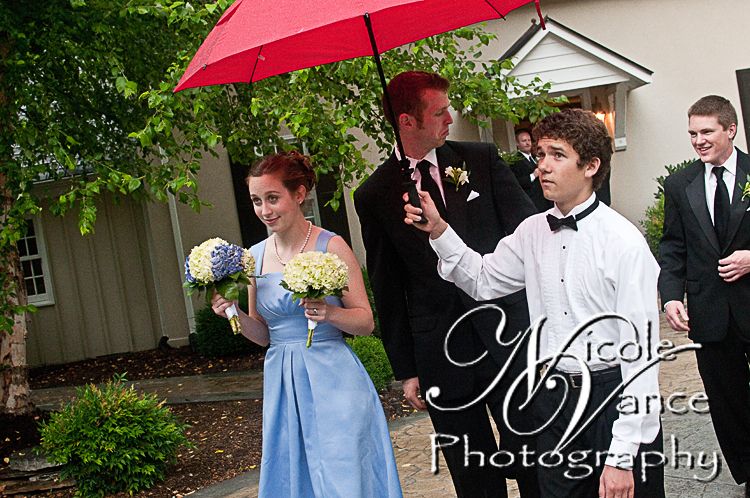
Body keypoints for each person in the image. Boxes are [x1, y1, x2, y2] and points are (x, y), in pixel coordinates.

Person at [404, 109, 665, 498]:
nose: (543, 165)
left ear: (591, 166)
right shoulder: (532, 231)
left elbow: (641, 357)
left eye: (558, 155)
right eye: (541, 154)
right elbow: (482, 279)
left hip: (612, 399)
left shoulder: (624, 243)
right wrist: (440, 230)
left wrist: (623, 457)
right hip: (554, 400)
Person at [354, 70, 540, 498]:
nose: (450, 119)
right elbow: (386, 285)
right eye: (439, 112)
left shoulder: (481, 160)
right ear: (407, 121)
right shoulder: (375, 194)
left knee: (534, 461)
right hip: (440, 352)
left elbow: (529, 233)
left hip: (508, 335)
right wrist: (406, 369)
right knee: (473, 476)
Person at [211, 150, 402, 498]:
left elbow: (365, 322)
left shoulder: (332, 246)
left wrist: (328, 313)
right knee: (294, 476)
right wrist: (233, 313)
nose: (264, 210)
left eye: (273, 198)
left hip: (335, 379)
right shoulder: (253, 257)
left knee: (342, 475)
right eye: (256, 201)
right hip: (283, 381)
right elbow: (263, 335)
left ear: (299, 194)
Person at [659, 95, 750, 496]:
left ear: (731, 130)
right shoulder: (680, 184)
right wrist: (670, 296)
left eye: (707, 131)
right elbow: (673, 245)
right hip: (709, 311)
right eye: (693, 133)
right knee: (728, 403)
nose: (699, 140)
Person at [509, 129, 553, 212]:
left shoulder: (535, 158)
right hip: (532, 201)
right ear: (517, 143)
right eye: (524, 141)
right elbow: (516, 182)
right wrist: (533, 175)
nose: (527, 143)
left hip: (544, 199)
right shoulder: (515, 160)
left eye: (529, 140)